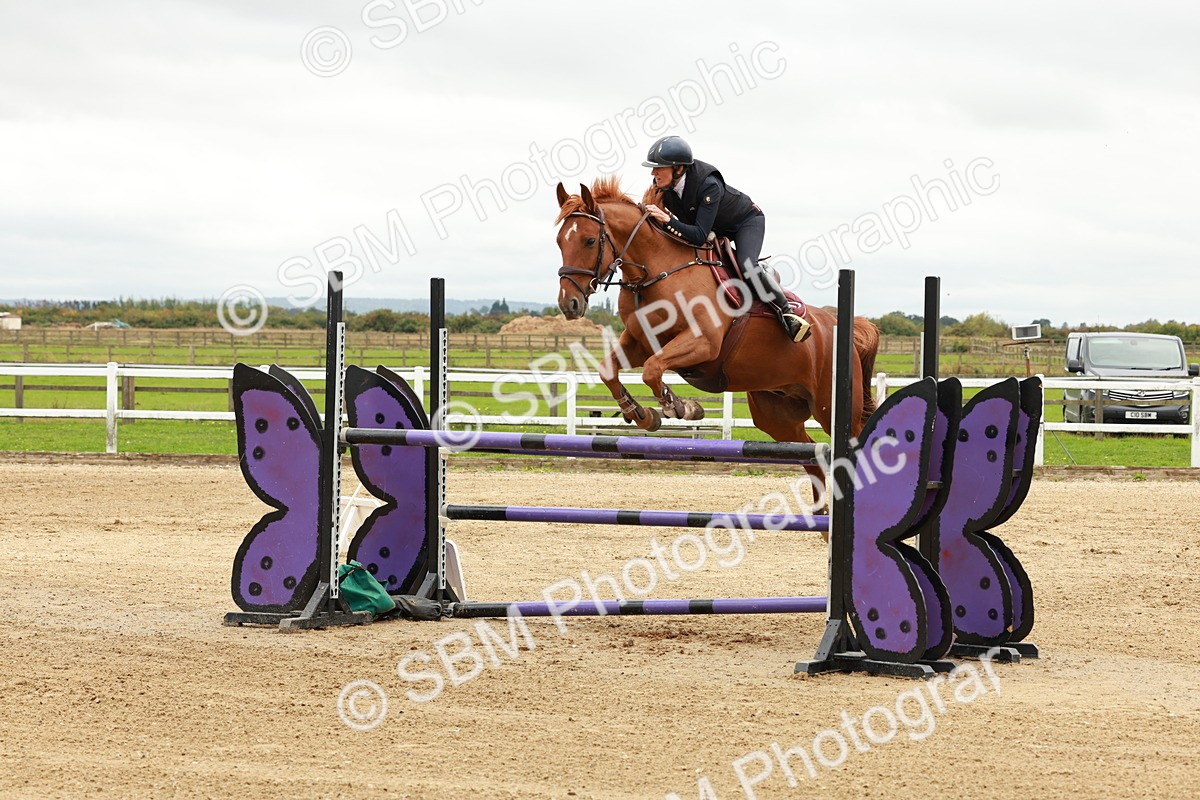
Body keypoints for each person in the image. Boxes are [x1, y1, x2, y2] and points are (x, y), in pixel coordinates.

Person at [641, 135, 809, 342]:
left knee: (747, 266)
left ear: (678, 169)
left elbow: (699, 234)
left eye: (659, 167)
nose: (653, 172)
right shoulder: (662, 186)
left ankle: (786, 313)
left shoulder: (708, 184)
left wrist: (667, 220)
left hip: (745, 221)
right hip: (711, 226)